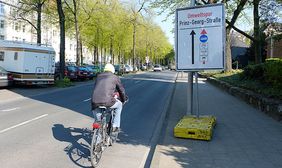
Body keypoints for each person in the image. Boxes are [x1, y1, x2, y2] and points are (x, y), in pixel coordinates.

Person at [91, 63, 127, 132]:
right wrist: (123, 100)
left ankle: (97, 131)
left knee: (98, 120)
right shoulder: (115, 77)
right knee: (119, 105)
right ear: (112, 70)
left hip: (94, 102)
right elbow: (121, 90)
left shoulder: (99, 76)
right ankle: (115, 126)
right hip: (108, 101)